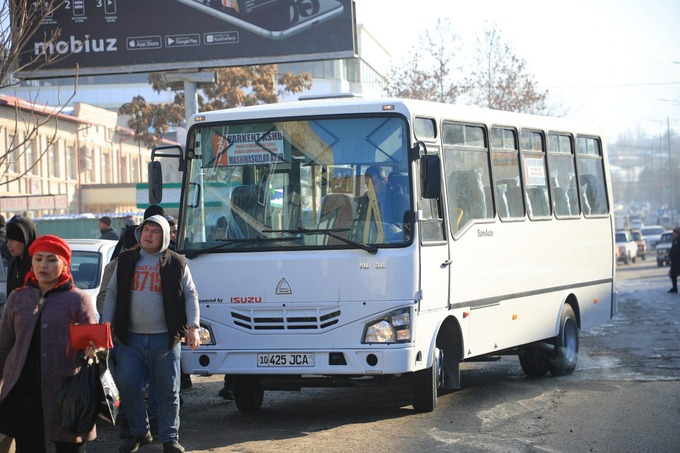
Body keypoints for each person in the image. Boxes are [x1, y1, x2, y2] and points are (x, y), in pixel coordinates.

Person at [102, 215, 200, 453]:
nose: (149, 234)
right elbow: (112, 293)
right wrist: (106, 325)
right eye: (146, 229)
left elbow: (190, 294)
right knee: (127, 386)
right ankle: (139, 432)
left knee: (168, 391)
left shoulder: (176, 262)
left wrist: (193, 326)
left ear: (165, 237)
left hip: (165, 340)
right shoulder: (125, 260)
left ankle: (169, 438)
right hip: (130, 339)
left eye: (155, 231)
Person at [0, 235, 99, 453]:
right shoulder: (18, 298)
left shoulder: (78, 300)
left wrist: (94, 348)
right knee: (28, 446)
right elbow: (5, 342)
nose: (43, 265)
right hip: (24, 389)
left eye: (52, 260)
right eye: (38, 259)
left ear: (65, 264)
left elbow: (93, 345)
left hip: (66, 391)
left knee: (70, 446)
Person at [5, 215, 40, 296]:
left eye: (13, 240)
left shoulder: (39, 264)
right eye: (8, 240)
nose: (8, 244)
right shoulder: (13, 264)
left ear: (26, 239)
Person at [668, 227, 680, 293]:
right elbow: (672, 249)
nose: (674, 234)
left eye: (676, 233)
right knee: (673, 275)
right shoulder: (674, 240)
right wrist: (670, 256)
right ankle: (674, 288)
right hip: (674, 261)